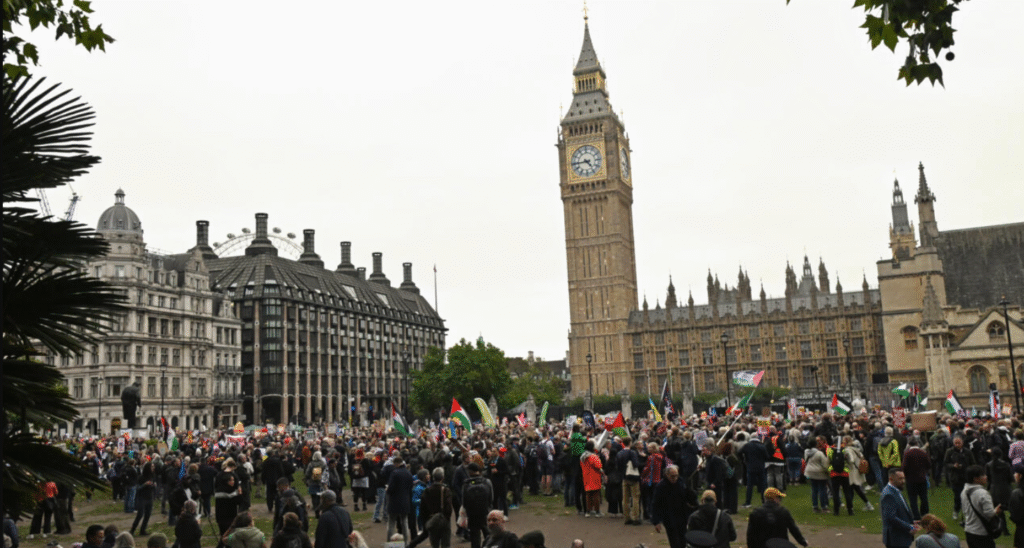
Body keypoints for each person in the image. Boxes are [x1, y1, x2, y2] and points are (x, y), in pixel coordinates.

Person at [651, 465, 698, 548]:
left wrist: (695, 500)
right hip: (669, 517)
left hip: (682, 516)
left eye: (676, 475)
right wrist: (656, 521)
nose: (675, 478)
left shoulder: (681, 482)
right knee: (674, 541)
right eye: (673, 476)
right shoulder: (661, 486)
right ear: (667, 475)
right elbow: (656, 504)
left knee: (683, 539)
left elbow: (689, 496)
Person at [408, 467, 453, 548]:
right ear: (443, 477)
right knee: (446, 544)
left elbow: (423, 509)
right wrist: (447, 517)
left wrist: (426, 521)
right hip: (444, 520)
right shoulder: (445, 490)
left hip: (431, 520)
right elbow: (449, 507)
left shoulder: (427, 491)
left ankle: (411, 544)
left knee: (434, 544)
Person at [962, 464, 1002, 548]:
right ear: (976, 479)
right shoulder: (982, 493)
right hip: (981, 532)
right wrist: (996, 511)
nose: (986, 477)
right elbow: (989, 514)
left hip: (969, 530)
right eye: (983, 475)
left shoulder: (964, 491)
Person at [881, 469, 920, 548]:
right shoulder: (889, 494)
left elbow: (901, 511)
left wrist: (911, 521)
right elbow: (891, 517)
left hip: (900, 538)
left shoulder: (896, 490)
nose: (903, 481)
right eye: (900, 479)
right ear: (891, 479)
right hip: (896, 539)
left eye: (903, 478)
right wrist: (910, 527)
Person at [462, 463, 493, 548]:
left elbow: (464, 500)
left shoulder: (466, 483)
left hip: (472, 514)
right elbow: (491, 498)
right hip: (485, 511)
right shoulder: (487, 481)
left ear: (470, 472)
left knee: (475, 536)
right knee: (488, 533)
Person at [945, 436, 975, 521]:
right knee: (958, 497)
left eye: (959, 443)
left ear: (962, 443)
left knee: (968, 496)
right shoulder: (950, 451)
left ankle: (967, 513)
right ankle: (956, 510)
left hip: (966, 477)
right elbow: (946, 463)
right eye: (956, 443)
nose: (957, 445)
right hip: (955, 477)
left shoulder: (967, 452)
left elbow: (972, 462)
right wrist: (953, 466)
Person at [386, 457, 415, 545]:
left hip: (394, 501)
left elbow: (391, 488)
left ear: (396, 463)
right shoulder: (408, 473)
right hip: (405, 501)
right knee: (405, 522)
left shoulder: (394, 473)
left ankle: (390, 542)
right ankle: (406, 542)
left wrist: (387, 489)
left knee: (391, 522)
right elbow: (410, 487)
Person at [902, 439, 931, 521]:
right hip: (922, 478)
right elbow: (928, 465)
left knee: (913, 499)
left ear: (909, 444)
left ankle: (916, 516)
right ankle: (925, 514)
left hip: (911, 479)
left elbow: (904, 467)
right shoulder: (923, 453)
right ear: (917, 443)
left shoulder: (907, 454)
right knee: (924, 498)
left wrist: (906, 476)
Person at [617, 436, 643, 525]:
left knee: (625, 498)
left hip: (624, 477)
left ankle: (627, 517)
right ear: (630, 442)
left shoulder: (619, 453)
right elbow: (636, 464)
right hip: (633, 477)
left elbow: (618, 466)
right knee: (635, 497)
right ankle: (635, 517)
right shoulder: (632, 452)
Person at [826, 438, 854, 516]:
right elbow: (851, 461)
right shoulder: (845, 450)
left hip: (834, 473)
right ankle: (850, 510)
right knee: (847, 492)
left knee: (835, 492)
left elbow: (827, 461)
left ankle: (836, 510)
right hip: (844, 473)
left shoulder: (830, 450)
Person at [740, 434, 768, 508]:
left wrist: (745, 459)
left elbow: (739, 452)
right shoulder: (762, 445)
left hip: (750, 467)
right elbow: (766, 456)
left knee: (750, 486)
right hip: (761, 467)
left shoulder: (747, 445)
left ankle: (748, 502)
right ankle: (764, 501)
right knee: (763, 485)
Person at [803, 437, 830, 513]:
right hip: (820, 473)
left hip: (810, 472)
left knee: (814, 489)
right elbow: (825, 464)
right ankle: (823, 507)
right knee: (822, 489)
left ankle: (815, 506)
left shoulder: (806, 452)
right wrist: (828, 472)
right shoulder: (819, 453)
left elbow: (806, 460)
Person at [130, 460, 156, 536]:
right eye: (152, 467)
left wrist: (153, 486)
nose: (153, 468)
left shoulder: (152, 476)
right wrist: (145, 484)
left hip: (149, 497)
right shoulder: (142, 477)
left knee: (148, 515)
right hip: (142, 498)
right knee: (140, 514)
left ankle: (143, 530)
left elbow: (152, 486)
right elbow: (137, 488)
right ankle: (132, 529)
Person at [579, 440, 604, 517]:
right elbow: (599, 466)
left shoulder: (582, 457)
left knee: (588, 495)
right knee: (596, 495)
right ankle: (597, 511)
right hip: (595, 477)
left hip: (586, 477)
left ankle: (588, 511)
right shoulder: (593, 456)